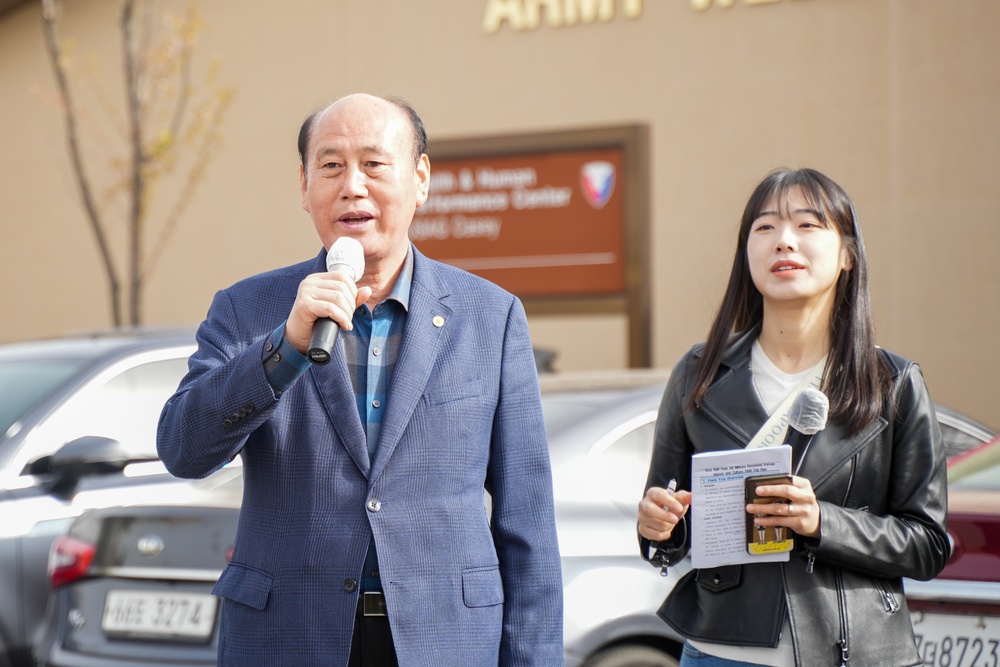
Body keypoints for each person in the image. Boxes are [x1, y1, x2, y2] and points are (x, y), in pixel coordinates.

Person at [157, 93, 563, 667]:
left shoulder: (489, 316)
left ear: (420, 178)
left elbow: (528, 521)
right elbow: (183, 449)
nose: (352, 186)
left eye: (374, 164)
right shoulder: (247, 309)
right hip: (287, 637)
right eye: (330, 166)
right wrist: (284, 348)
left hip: (445, 640)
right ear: (304, 186)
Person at [636, 168, 949, 666]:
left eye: (807, 225)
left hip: (853, 652)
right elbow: (667, 526)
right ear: (747, 254)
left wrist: (821, 520)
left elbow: (928, 544)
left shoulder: (893, 381)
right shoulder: (699, 373)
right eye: (765, 228)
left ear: (847, 254)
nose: (784, 241)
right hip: (719, 652)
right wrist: (660, 525)